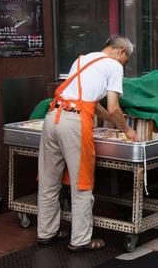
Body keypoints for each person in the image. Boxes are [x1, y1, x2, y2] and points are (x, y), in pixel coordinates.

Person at [37, 35, 137, 251]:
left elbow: (90, 101)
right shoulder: (114, 66)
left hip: (53, 117)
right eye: (126, 61)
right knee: (82, 183)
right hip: (74, 123)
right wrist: (127, 130)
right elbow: (113, 107)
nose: (124, 65)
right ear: (120, 52)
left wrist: (112, 120)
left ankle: (46, 233)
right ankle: (80, 240)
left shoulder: (82, 60)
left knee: (48, 182)